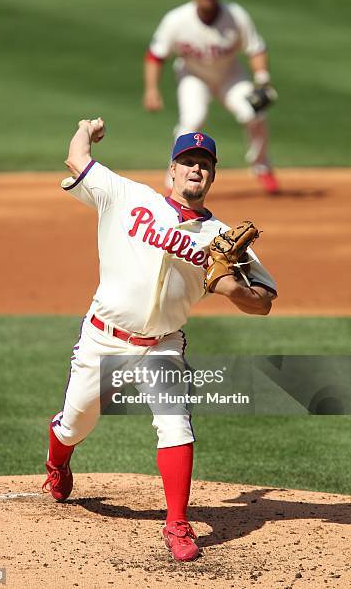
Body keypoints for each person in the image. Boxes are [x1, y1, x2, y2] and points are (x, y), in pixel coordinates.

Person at [42, 118, 277, 562]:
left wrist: (233, 289)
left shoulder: (222, 238)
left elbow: (264, 300)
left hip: (162, 346)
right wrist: (83, 129)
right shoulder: (126, 195)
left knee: (176, 426)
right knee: (75, 424)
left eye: (204, 164)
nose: (196, 169)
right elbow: (77, 158)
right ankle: (57, 463)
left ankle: (177, 524)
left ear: (212, 174)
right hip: (102, 339)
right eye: (188, 161)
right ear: (172, 169)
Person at [143, 0, 280, 194]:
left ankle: (262, 166)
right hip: (193, 75)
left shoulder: (236, 16)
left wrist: (262, 79)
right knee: (191, 121)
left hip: (230, 74)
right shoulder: (177, 20)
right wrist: (151, 89)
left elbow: (255, 48)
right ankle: (173, 184)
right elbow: (155, 55)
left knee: (256, 113)